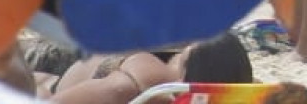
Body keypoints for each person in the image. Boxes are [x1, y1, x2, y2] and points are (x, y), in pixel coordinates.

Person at [41, 34, 253, 103]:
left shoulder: (143, 80)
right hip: (71, 65)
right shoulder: (230, 94)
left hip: (56, 81)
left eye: (179, 56)